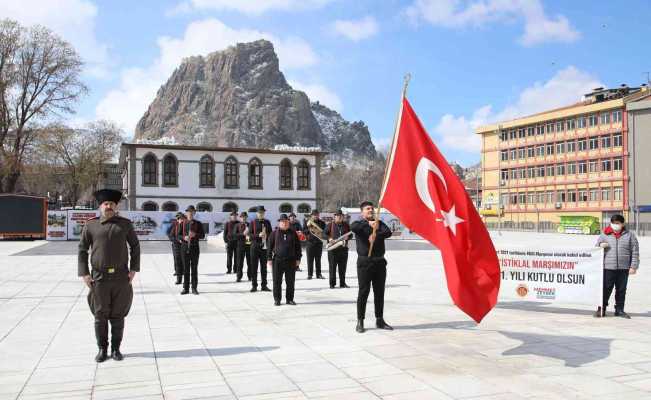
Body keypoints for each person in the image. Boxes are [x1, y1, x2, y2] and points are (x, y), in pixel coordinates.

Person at [78, 189, 140, 362]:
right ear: (100, 206)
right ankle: (101, 349)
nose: (109, 206)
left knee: (118, 315)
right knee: (100, 316)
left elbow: (135, 246)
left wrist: (134, 269)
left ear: (116, 206)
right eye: (106, 204)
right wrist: (84, 273)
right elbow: (82, 249)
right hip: (99, 278)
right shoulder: (91, 225)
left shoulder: (125, 224)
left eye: (112, 204)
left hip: (121, 277)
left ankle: (116, 349)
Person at [351, 201, 393, 333]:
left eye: (372, 209)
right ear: (362, 212)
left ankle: (379, 319)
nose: (371, 210)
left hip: (379, 262)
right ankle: (360, 321)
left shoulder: (378, 223)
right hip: (365, 263)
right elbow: (354, 227)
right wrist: (368, 224)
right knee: (363, 292)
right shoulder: (359, 223)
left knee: (379, 292)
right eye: (367, 209)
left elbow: (388, 232)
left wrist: (376, 233)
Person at [595, 214, 640, 318]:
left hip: (623, 268)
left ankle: (619, 310)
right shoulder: (604, 234)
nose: (615, 225)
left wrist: (633, 266)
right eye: (613, 223)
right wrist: (600, 246)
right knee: (605, 289)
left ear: (622, 224)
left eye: (617, 223)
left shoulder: (630, 235)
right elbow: (596, 249)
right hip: (608, 267)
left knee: (621, 289)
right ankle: (601, 309)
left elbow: (635, 251)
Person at [267, 214, 302, 306]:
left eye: (286, 222)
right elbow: (269, 247)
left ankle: (289, 299)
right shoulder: (274, 233)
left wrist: (298, 258)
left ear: (288, 222)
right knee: (277, 281)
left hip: (291, 260)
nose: (285, 223)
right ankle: (277, 299)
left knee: (290, 281)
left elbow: (298, 247)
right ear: (279, 223)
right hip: (277, 260)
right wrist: (269, 258)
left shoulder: (293, 233)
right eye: (282, 222)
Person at [178, 205, 205, 295]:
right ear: (186, 213)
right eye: (188, 211)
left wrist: (195, 235)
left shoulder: (198, 223)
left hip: (194, 247)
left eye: (192, 212)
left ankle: (194, 288)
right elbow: (178, 235)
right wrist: (184, 237)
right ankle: (185, 288)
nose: (190, 213)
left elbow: (202, 235)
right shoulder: (182, 223)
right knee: (185, 269)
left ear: (194, 213)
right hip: (184, 247)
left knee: (194, 269)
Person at [249, 205, 272, 292]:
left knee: (264, 268)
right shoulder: (253, 222)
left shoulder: (267, 222)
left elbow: (271, 234)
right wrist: (258, 235)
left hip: (264, 247)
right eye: (259, 213)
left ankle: (264, 285)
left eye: (262, 212)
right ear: (257, 213)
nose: (261, 214)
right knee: (254, 267)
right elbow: (250, 235)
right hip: (254, 247)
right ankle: (254, 285)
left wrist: (267, 236)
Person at [326, 209, 351, 289]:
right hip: (333, 249)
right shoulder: (330, 225)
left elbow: (351, 235)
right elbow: (323, 234)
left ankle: (342, 283)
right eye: (338, 216)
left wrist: (348, 237)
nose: (339, 217)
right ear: (335, 217)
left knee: (343, 267)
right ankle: (332, 284)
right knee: (332, 267)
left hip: (343, 249)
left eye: (341, 216)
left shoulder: (346, 225)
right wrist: (329, 238)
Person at [303, 209, 326, 279]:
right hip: (310, 243)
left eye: (317, 214)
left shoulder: (322, 223)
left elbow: (324, 232)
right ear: (312, 215)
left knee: (318, 259)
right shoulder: (307, 222)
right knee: (310, 259)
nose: (316, 216)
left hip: (319, 243)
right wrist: (310, 230)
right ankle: (310, 274)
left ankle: (318, 274)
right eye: (314, 214)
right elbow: (304, 231)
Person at [166, 212, 185, 284]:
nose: (180, 220)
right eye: (179, 218)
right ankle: (177, 272)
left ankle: (182, 271)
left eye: (182, 218)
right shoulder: (174, 225)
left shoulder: (185, 225)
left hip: (184, 245)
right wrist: (174, 240)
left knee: (183, 259)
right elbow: (169, 234)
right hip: (175, 244)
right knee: (177, 259)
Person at [235, 211, 252, 282]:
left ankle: (250, 276)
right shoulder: (237, 225)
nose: (243, 218)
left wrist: (249, 234)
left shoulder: (250, 224)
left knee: (250, 262)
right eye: (242, 217)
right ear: (240, 218)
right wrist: (243, 234)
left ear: (246, 217)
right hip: (240, 246)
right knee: (239, 262)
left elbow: (253, 233)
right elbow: (234, 235)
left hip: (249, 245)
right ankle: (239, 276)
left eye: (245, 217)